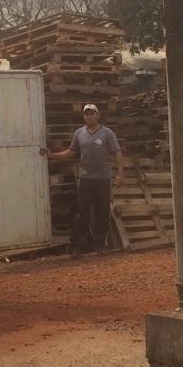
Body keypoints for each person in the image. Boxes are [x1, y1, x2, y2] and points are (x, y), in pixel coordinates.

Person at [41, 104, 124, 255]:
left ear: (98, 116)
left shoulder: (107, 133)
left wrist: (120, 174)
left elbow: (117, 152)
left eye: (92, 114)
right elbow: (71, 152)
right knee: (83, 213)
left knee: (102, 212)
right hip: (85, 178)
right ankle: (78, 246)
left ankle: (100, 245)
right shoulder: (79, 133)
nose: (89, 117)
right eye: (86, 114)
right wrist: (52, 155)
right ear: (84, 117)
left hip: (103, 179)